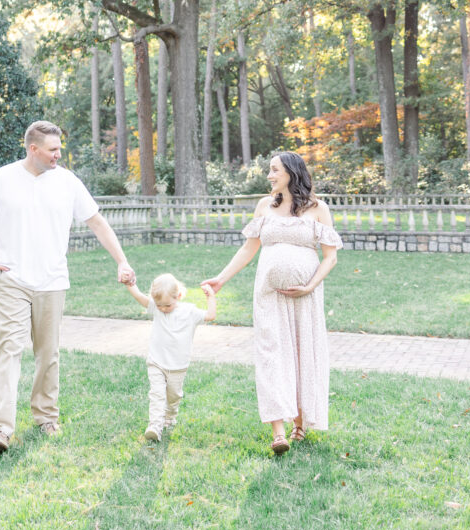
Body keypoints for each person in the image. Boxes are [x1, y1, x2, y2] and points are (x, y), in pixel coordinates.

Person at [0, 120, 136, 454]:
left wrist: (122, 260)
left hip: (52, 281)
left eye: (60, 148)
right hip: (10, 281)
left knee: (47, 353)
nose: (59, 154)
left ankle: (46, 417)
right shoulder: (1, 179)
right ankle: (1, 428)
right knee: (10, 349)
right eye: (53, 149)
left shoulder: (67, 181)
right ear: (33, 149)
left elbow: (97, 222)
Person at [201, 150, 342, 456]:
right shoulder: (265, 206)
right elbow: (248, 250)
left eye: (274, 170)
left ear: (291, 171)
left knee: (303, 352)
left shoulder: (318, 208)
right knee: (271, 353)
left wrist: (309, 286)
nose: (269, 175)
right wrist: (221, 279)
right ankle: (278, 432)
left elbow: (330, 257)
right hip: (268, 295)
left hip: (306, 297)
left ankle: (301, 423)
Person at [124, 272, 217, 441]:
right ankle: (155, 426)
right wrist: (130, 284)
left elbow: (210, 316)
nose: (162, 309)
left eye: (167, 305)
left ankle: (170, 416)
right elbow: (139, 297)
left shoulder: (189, 311)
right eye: (159, 305)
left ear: (179, 296)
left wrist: (210, 296)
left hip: (178, 366)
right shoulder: (156, 307)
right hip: (156, 362)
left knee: (173, 396)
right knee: (157, 395)